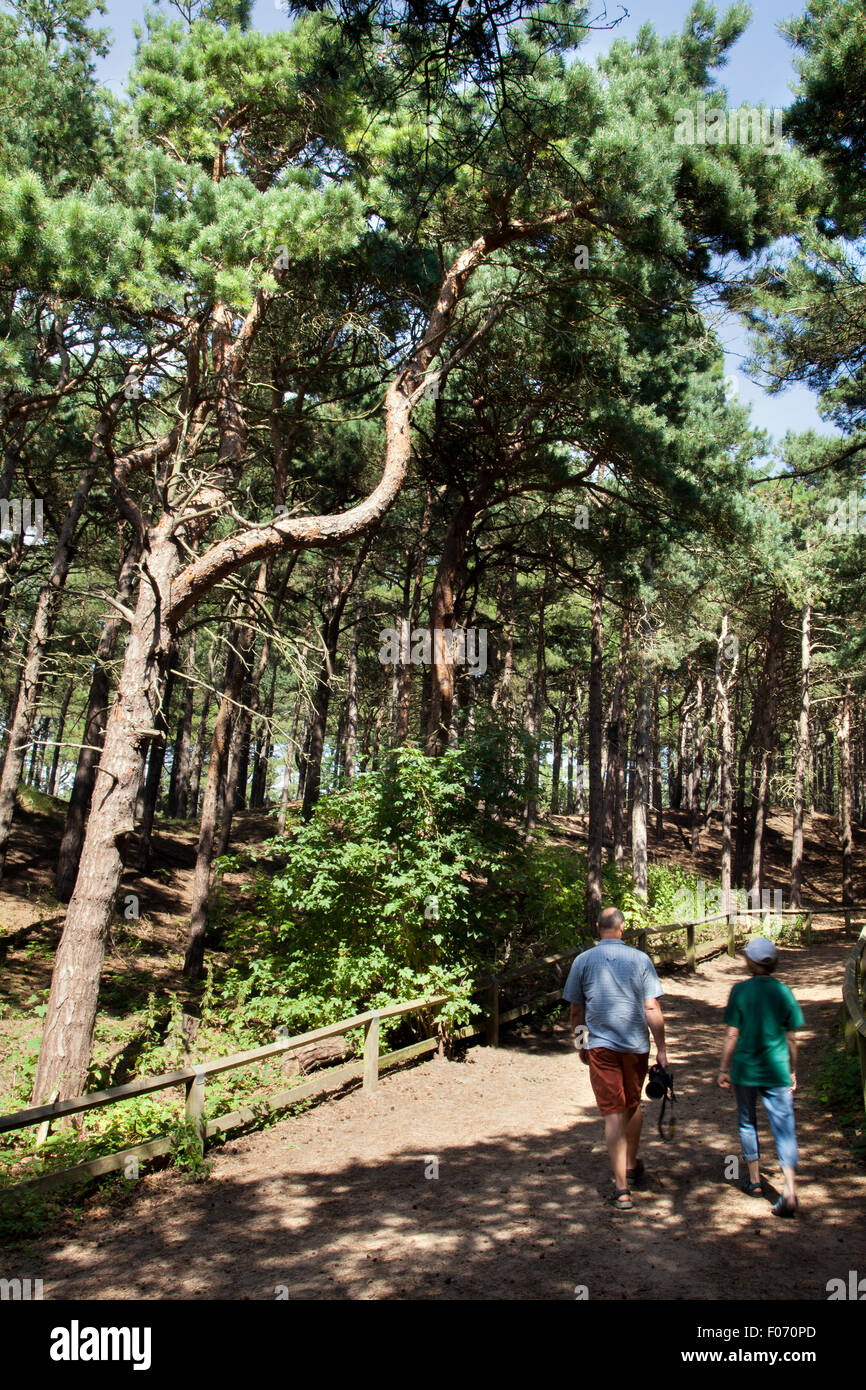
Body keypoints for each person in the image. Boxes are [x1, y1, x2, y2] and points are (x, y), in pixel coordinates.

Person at [562, 906, 667, 1212]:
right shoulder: (641, 960)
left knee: (612, 1111)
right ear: (623, 928)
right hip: (635, 1045)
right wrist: (661, 1048)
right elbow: (651, 1008)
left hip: (601, 1046)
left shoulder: (583, 961)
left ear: (598, 927)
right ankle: (631, 1166)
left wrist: (581, 1044)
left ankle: (621, 1189)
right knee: (632, 1105)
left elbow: (576, 1010)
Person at [718, 936, 805, 1217]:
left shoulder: (740, 991)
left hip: (745, 1069)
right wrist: (792, 1069)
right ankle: (790, 1190)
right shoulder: (784, 992)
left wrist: (723, 1068)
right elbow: (792, 1038)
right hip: (776, 1069)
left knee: (747, 1121)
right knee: (784, 1127)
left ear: (749, 962)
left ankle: (755, 1181)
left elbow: (733, 1033)